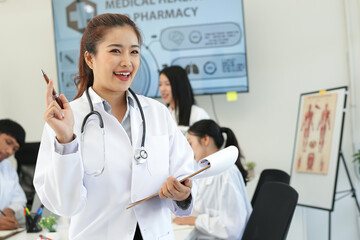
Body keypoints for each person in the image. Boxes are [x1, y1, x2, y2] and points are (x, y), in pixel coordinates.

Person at [34, 13, 195, 240]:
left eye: (134, 51)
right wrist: (65, 140)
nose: (127, 62)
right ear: (90, 59)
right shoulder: (66, 119)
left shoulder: (157, 113)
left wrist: (183, 194)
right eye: (115, 51)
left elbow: (186, 180)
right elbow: (65, 205)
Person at [173, 119, 252, 240]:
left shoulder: (225, 172)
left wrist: (196, 220)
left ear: (205, 140)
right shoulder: (205, 169)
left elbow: (233, 226)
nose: (188, 150)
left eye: (190, 144)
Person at [159, 66, 210, 133]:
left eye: (167, 84)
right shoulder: (164, 114)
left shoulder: (197, 113)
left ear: (179, 85)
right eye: (160, 84)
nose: (162, 89)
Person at [0, 119, 27, 230]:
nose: (10, 151)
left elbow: (20, 200)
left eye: (15, 149)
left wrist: (10, 211)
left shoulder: (7, 167)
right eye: (8, 142)